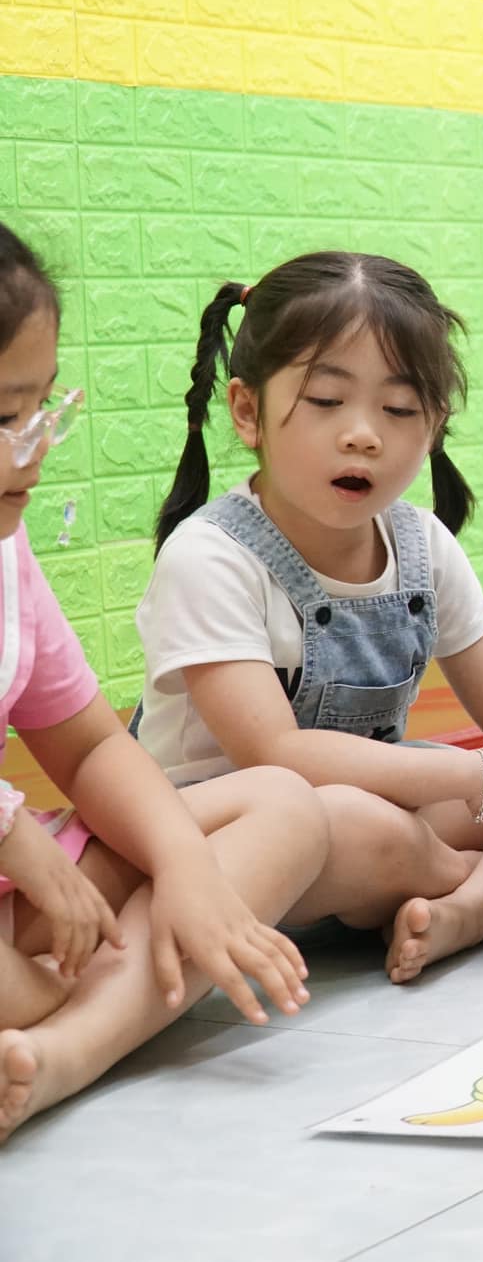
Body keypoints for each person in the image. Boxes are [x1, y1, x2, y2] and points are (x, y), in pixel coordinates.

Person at [136, 252, 483, 984]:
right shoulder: (210, 557)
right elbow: (279, 754)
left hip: (385, 819)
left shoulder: (420, 543)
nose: (363, 434)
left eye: (399, 410)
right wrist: (478, 780)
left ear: (434, 424)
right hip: (248, 839)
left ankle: (476, 904)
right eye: (326, 401)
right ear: (247, 411)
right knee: (355, 819)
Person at [0, 221, 326, 1143]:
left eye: (41, 409)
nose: (33, 449)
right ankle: (56, 1013)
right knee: (31, 980)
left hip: (20, 886)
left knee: (284, 808)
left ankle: (60, 1050)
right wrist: (18, 842)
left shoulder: (8, 554)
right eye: (3, 418)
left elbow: (88, 745)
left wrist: (184, 866)